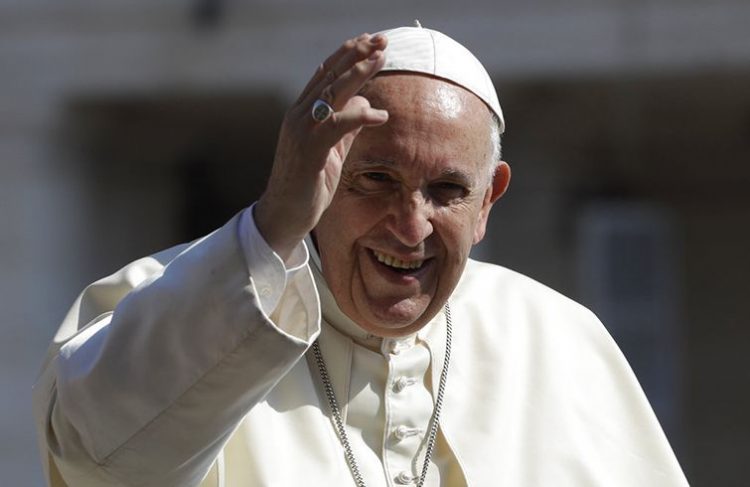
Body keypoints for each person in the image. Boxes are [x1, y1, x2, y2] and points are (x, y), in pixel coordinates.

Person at [32, 25, 689, 487]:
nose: (410, 227)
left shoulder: (562, 338)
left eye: (447, 190)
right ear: (320, 171)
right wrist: (270, 233)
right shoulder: (175, 298)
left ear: (488, 200)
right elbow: (100, 463)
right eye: (376, 180)